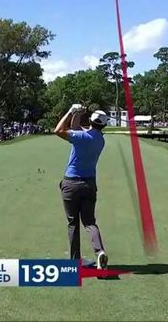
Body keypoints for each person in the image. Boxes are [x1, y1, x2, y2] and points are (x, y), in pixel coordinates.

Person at [54, 104, 109, 271]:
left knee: (73, 224)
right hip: (89, 184)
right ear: (103, 125)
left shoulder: (81, 137)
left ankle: (75, 261)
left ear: (90, 121)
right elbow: (75, 128)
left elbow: (58, 130)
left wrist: (71, 111)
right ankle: (99, 252)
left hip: (71, 183)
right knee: (90, 222)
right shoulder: (100, 139)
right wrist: (78, 113)